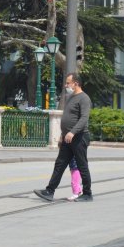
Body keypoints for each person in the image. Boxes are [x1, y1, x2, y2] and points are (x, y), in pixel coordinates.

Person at [34, 72, 93, 202]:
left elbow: (84, 119)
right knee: (60, 164)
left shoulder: (84, 98)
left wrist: (72, 132)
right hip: (67, 138)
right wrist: (63, 134)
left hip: (79, 137)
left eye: (68, 83)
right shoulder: (70, 97)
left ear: (75, 83)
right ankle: (49, 191)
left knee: (82, 165)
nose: (66, 85)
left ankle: (87, 193)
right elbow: (67, 118)